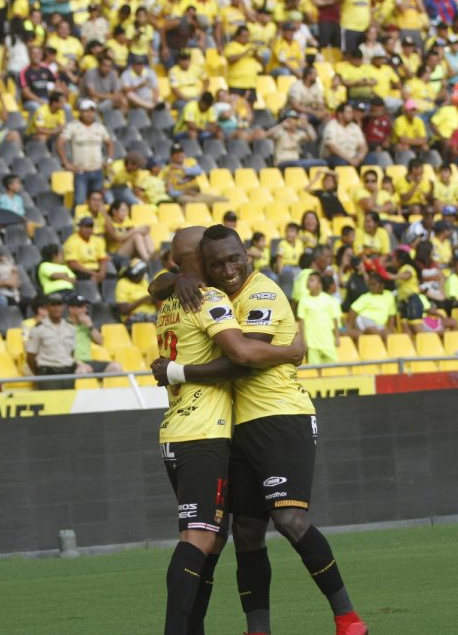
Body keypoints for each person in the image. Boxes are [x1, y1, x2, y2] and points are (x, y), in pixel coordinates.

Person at [151, 224, 367, 635]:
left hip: (280, 414)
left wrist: (175, 370)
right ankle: (258, 630)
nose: (228, 268)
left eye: (234, 258)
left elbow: (243, 359)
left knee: (289, 520)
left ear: (246, 253)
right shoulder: (206, 293)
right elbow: (156, 285)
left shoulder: (261, 292)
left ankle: (348, 619)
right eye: (216, 262)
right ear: (202, 264)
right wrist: (177, 278)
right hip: (235, 424)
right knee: (247, 533)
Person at [57, 98, 114, 205]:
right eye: (86, 111)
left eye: (92, 111)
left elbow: (109, 143)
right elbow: (60, 143)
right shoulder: (73, 126)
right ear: (81, 112)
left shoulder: (99, 127)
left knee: (97, 201)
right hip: (81, 171)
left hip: (97, 170)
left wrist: (109, 159)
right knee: (80, 200)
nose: (89, 114)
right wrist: (66, 163)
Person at [24, 293, 81, 391]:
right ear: (47, 307)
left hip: (67, 372)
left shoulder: (70, 328)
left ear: (63, 307)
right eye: (53, 305)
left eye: (59, 304)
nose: (56, 308)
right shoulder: (38, 329)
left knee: (69, 404)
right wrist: (40, 374)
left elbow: (71, 352)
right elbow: (30, 357)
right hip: (48, 373)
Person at [298, 271, 342, 365]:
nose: (308, 283)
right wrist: (303, 341)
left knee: (334, 368)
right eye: (308, 281)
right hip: (312, 344)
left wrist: (337, 337)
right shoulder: (303, 300)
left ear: (319, 284)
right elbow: (301, 323)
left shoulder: (329, 300)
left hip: (328, 342)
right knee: (315, 371)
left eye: (312, 280)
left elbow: (335, 320)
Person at [63, 216, 109, 282]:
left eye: (90, 227)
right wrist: (94, 274)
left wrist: (102, 273)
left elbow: (102, 259)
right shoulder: (71, 241)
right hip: (80, 271)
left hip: (96, 269)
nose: (89, 230)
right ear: (80, 228)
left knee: (111, 277)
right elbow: (72, 263)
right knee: (92, 279)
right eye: (86, 227)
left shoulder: (98, 240)